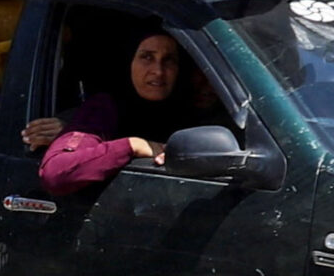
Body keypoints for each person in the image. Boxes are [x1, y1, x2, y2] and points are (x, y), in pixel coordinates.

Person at [22, 28, 207, 195]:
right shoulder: (103, 108)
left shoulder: (195, 107)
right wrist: (133, 146)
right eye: (147, 57)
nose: (158, 71)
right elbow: (56, 174)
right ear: (129, 61)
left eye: (169, 60)